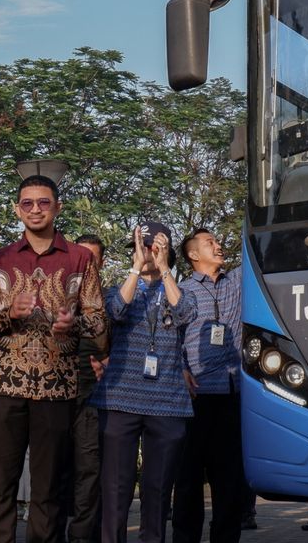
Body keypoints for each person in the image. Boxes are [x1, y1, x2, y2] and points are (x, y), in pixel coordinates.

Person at [0, 174, 106, 543]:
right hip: (5, 382)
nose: (35, 209)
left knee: (48, 489)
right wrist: (8, 314)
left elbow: (97, 319)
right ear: (17, 209)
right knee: (0, 484)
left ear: (57, 207)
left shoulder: (80, 258)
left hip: (57, 386)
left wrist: (72, 322)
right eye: (27, 203)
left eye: (43, 202)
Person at [90, 222, 195, 543]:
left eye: (151, 246)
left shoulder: (179, 289)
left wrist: (164, 269)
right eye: (140, 246)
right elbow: (115, 311)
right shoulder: (121, 287)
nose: (145, 252)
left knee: (158, 487)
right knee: (116, 488)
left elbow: (186, 313)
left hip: (167, 401)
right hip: (121, 399)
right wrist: (136, 269)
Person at [171, 229, 245, 543]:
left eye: (218, 239)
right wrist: (182, 369)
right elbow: (170, 336)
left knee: (230, 480)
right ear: (192, 255)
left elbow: (256, 249)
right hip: (195, 396)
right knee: (188, 478)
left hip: (233, 393)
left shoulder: (238, 283)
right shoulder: (182, 291)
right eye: (209, 243)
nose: (218, 244)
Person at [66, 233, 108, 543]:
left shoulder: (110, 301)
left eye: (92, 259)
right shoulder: (56, 297)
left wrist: (110, 363)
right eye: (82, 258)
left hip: (93, 397)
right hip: (54, 394)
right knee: (52, 469)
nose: (87, 264)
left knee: (88, 471)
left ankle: (82, 536)